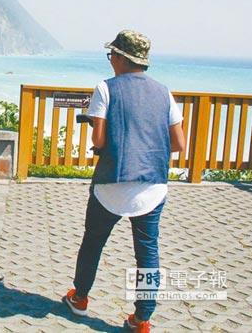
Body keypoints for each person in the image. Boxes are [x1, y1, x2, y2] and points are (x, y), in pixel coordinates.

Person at [63, 30, 185, 333]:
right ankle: (142, 319)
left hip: (112, 184)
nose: (110, 61)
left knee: (93, 242)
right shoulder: (164, 92)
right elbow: (179, 143)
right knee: (147, 251)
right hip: (152, 185)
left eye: (111, 55)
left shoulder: (105, 88)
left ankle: (79, 298)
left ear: (120, 58)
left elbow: (99, 140)